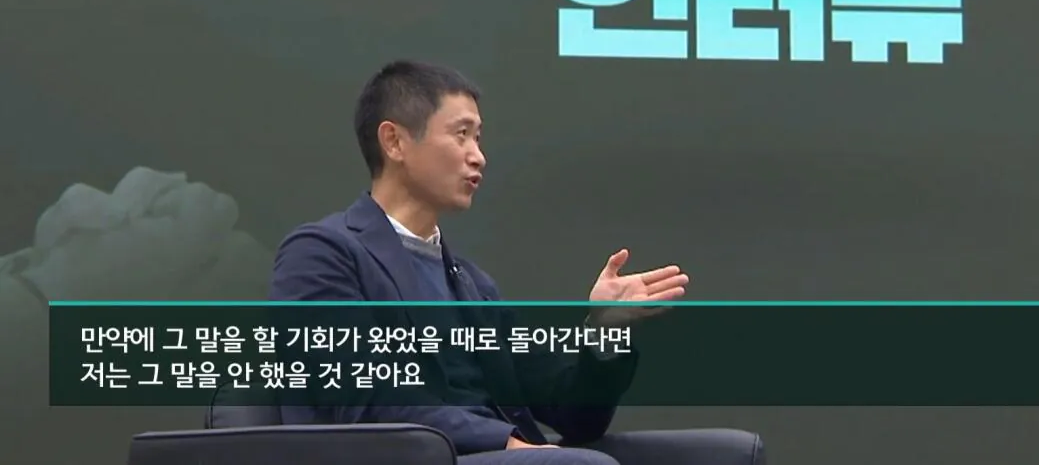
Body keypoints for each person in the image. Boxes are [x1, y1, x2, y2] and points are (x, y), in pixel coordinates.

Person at [271, 61, 763, 465]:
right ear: (395, 141)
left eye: (479, 138)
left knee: (725, 454)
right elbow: (367, 402)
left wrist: (603, 333)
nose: (478, 157)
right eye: (461, 135)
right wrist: (510, 444)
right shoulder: (323, 254)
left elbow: (575, 418)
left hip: (506, 455)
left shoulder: (471, 284)